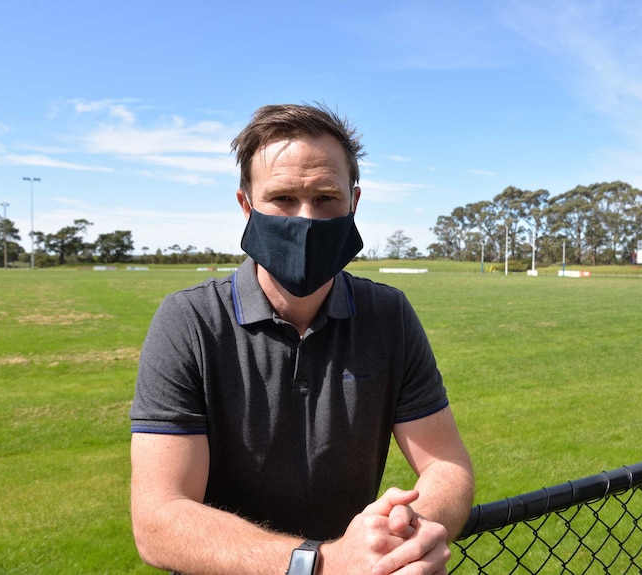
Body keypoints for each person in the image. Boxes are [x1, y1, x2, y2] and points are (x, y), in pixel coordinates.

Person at [130, 103, 474, 575]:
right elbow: (159, 518)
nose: (306, 220)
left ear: (354, 202)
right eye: (283, 199)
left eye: (327, 198)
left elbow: (447, 467)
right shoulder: (188, 321)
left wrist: (404, 534)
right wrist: (322, 563)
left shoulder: (388, 315)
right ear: (246, 206)